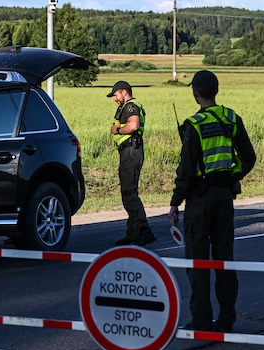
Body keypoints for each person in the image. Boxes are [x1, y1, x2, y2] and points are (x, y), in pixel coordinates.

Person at [168, 69, 256, 333]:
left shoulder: (193, 125)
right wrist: (232, 176)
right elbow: (249, 157)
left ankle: (202, 320)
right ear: (215, 90)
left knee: (198, 261)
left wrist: (175, 202)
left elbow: (185, 171)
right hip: (224, 197)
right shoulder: (232, 118)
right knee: (224, 259)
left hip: (200, 198)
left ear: (196, 93)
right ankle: (227, 317)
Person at [108, 80, 156, 246]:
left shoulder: (130, 106)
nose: (114, 98)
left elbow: (133, 125)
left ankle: (144, 230)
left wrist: (118, 130)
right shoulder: (126, 106)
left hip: (131, 151)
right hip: (128, 151)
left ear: (123, 92)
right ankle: (132, 234)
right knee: (130, 192)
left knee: (129, 193)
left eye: (115, 95)